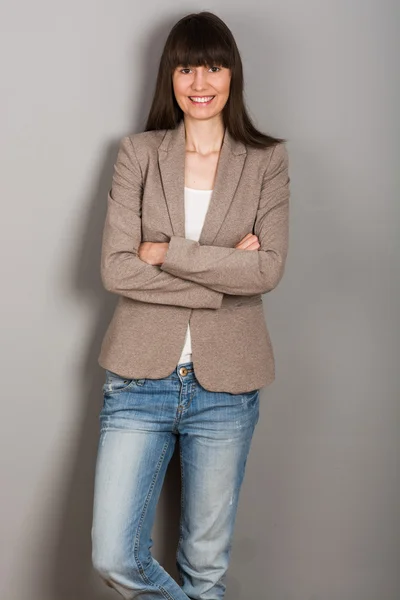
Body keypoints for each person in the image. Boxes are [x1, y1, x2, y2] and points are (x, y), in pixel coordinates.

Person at [91, 10, 290, 600]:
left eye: (214, 66)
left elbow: (269, 269)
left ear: (233, 75)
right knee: (113, 554)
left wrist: (166, 252)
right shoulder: (138, 154)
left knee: (206, 569)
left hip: (228, 386)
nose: (200, 82)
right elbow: (116, 268)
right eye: (186, 68)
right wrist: (225, 275)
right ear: (168, 78)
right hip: (137, 379)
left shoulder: (267, 161)